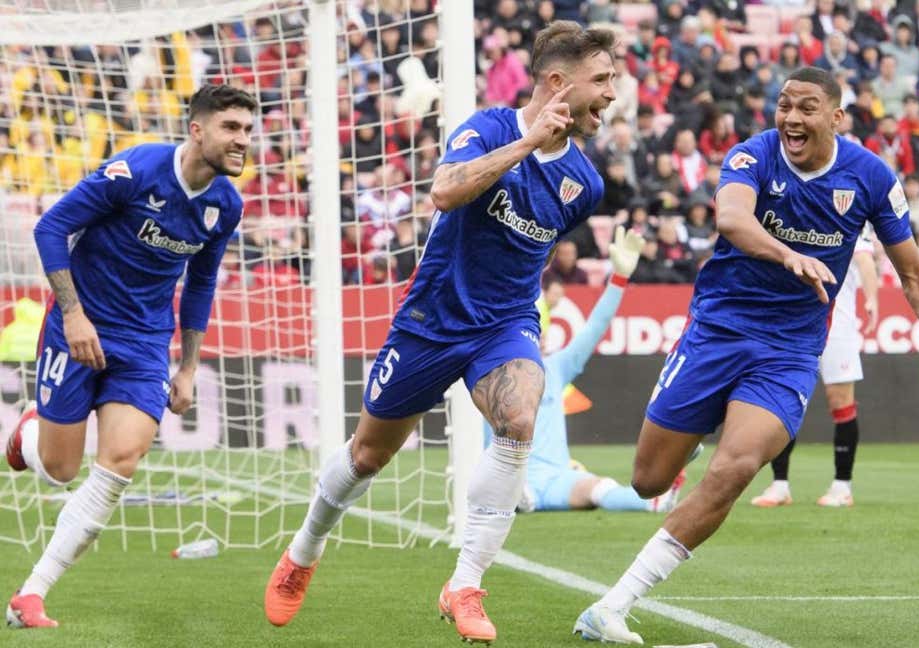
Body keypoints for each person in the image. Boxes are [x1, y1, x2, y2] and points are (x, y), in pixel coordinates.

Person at [572, 67, 919, 644]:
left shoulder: (870, 176)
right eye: (784, 105)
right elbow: (732, 219)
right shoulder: (752, 155)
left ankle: (613, 605)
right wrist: (789, 255)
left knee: (735, 469)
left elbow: (912, 270)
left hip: (789, 349)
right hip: (717, 330)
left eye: (806, 108)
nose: (790, 117)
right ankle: (706, 424)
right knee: (647, 479)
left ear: (836, 117)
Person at [262, 21, 616, 645]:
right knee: (368, 455)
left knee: (519, 420)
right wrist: (529, 142)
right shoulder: (487, 128)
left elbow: (521, 251)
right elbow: (445, 191)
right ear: (558, 83)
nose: (613, 93)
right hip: (431, 323)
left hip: (504, 324)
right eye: (602, 79)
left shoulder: (585, 183)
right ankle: (302, 552)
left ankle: (466, 584)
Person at [4, 84, 254, 628]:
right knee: (59, 470)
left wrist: (187, 365)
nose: (243, 141)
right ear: (197, 129)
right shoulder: (135, 171)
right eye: (231, 129)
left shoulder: (225, 205)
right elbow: (50, 227)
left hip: (144, 344)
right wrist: (72, 315)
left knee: (120, 463)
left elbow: (202, 283)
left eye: (248, 131)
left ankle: (32, 595)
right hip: (79, 328)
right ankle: (28, 435)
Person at [506, 231, 687, 514]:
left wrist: (618, 279)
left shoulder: (556, 366)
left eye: (541, 327)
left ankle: (655, 501)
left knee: (599, 488)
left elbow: (594, 328)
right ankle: (512, 491)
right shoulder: (494, 371)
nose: (539, 335)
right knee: (509, 488)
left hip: (558, 478)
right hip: (514, 478)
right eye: (532, 328)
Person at [750, 231, 879, 508]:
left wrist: (872, 298)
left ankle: (842, 486)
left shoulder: (850, 216)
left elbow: (866, 261)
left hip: (838, 327)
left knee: (840, 401)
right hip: (797, 325)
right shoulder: (800, 219)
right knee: (785, 401)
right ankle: (780, 485)